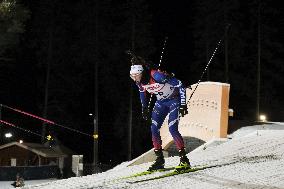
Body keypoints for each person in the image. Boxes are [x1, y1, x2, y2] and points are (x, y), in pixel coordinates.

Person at [129, 55, 191, 171]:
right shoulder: (139, 82)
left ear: (141, 73)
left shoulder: (156, 75)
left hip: (174, 100)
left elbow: (180, 84)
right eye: (132, 77)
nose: (135, 79)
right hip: (161, 103)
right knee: (154, 129)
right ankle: (159, 161)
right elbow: (142, 92)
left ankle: (184, 160)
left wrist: (183, 104)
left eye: (136, 76)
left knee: (172, 128)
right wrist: (145, 108)